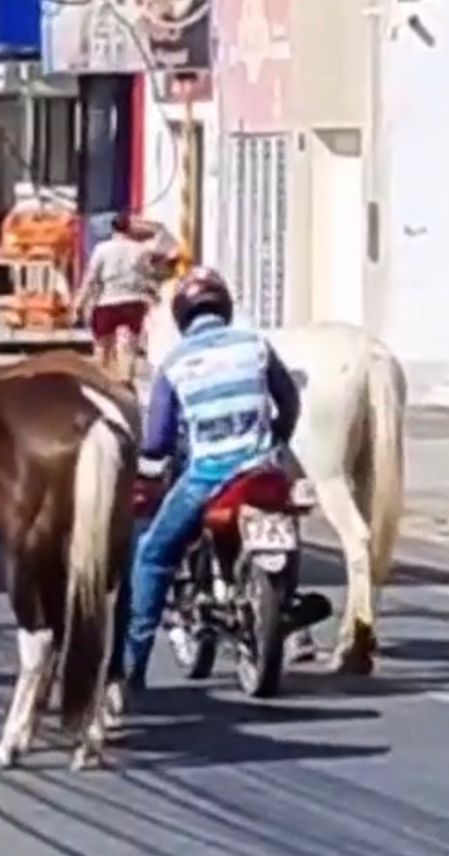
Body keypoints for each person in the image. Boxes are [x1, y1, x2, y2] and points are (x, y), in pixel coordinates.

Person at [123, 267, 302, 691]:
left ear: (182, 315)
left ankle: (132, 663)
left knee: (151, 554)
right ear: (225, 306)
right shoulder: (255, 344)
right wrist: (277, 437)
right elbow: (288, 399)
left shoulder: (175, 363)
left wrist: (145, 468)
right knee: (292, 517)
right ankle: (287, 604)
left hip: (209, 474)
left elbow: (159, 441)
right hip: (263, 469)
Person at [74, 212, 175, 382]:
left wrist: (79, 304)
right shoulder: (141, 249)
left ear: (112, 229)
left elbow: (90, 279)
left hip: (106, 303)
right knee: (128, 350)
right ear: (130, 228)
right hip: (133, 304)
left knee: (102, 350)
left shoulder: (101, 249)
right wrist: (149, 226)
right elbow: (167, 247)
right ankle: (126, 383)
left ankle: (102, 384)